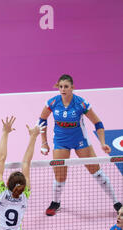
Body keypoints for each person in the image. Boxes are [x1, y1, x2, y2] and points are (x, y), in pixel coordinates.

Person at [38, 74, 122, 216]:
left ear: (72, 88)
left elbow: (98, 123)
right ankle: (56, 202)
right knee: (59, 176)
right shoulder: (52, 103)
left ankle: (116, 202)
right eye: (61, 86)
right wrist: (44, 143)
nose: (63, 89)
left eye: (66, 87)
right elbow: (42, 120)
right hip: (60, 142)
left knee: (96, 172)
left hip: (80, 141)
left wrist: (102, 143)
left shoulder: (81, 104)